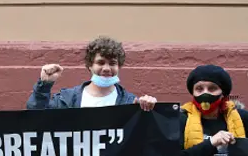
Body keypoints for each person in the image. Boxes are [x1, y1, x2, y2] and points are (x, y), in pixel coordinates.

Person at [26, 36, 157, 111]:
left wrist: (150, 109)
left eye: (112, 63)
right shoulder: (68, 99)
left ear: (119, 66)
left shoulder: (129, 102)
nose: (106, 68)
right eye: (100, 63)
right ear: (90, 65)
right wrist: (44, 85)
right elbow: (35, 115)